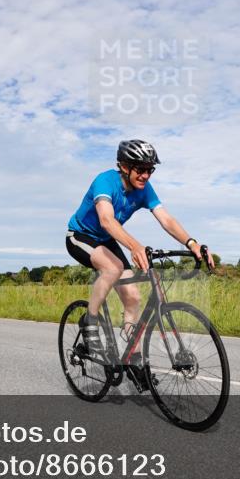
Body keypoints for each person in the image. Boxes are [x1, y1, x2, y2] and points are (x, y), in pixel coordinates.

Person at [66, 139, 214, 359]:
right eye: (141, 169)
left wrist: (192, 243)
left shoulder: (144, 190)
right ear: (124, 166)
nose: (146, 175)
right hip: (81, 236)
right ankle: (90, 320)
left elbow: (166, 219)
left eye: (150, 170)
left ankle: (131, 357)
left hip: (107, 240)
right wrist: (135, 246)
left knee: (133, 297)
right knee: (113, 268)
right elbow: (106, 220)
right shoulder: (105, 182)